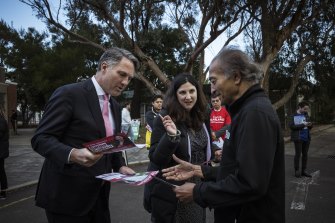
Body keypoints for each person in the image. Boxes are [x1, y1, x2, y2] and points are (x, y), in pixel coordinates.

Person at [162, 48, 285, 223]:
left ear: (236, 77)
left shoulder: (255, 113)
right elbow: (236, 168)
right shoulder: (245, 110)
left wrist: (198, 192)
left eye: (213, 81)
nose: (212, 90)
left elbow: (250, 184)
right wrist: (201, 170)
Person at [31, 47, 139, 223]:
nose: (125, 82)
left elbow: (111, 142)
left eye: (129, 78)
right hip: (66, 198)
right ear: (104, 67)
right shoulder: (69, 94)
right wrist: (73, 154)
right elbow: (40, 139)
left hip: (99, 196)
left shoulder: (115, 107)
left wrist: (119, 165)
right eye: (122, 74)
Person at [144, 73, 212, 223]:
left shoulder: (203, 114)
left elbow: (203, 145)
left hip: (197, 183)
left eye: (191, 91)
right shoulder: (165, 117)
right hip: (174, 187)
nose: (188, 96)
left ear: (197, 92)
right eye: (182, 92)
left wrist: (214, 154)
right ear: (175, 95)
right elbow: (156, 158)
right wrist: (171, 137)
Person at [290, 101, 313, 178]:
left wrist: (310, 125)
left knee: (305, 155)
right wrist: (303, 125)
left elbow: (309, 126)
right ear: (299, 107)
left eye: (307, 109)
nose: (306, 110)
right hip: (298, 138)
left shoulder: (306, 114)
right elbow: (292, 127)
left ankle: (304, 170)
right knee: (298, 154)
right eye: (305, 109)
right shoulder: (293, 115)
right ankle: (297, 170)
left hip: (306, 137)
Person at [210, 91, 231, 161]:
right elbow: (207, 126)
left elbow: (228, 126)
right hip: (212, 142)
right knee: (215, 160)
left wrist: (217, 134)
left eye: (217, 100)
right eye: (213, 101)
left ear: (220, 100)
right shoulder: (209, 112)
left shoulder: (226, 112)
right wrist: (212, 134)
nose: (215, 102)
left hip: (224, 141)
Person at [0, 107, 9, 200]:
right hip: (1, 151)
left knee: (1, 171)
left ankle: (3, 192)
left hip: (1, 151)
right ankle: (3, 191)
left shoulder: (1, 121)